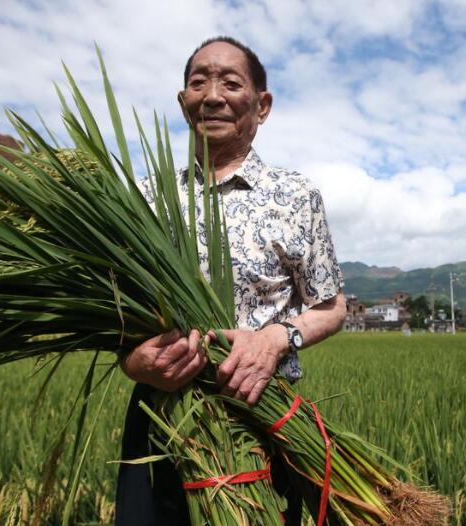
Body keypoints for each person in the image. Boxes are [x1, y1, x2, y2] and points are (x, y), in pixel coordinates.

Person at [115, 36, 347, 526]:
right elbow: (114, 312)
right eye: (198, 82)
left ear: (261, 106)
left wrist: (274, 339)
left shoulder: (295, 195)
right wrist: (133, 360)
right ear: (183, 102)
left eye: (231, 82)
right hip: (164, 417)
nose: (213, 95)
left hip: (264, 412)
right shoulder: (145, 199)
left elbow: (331, 306)